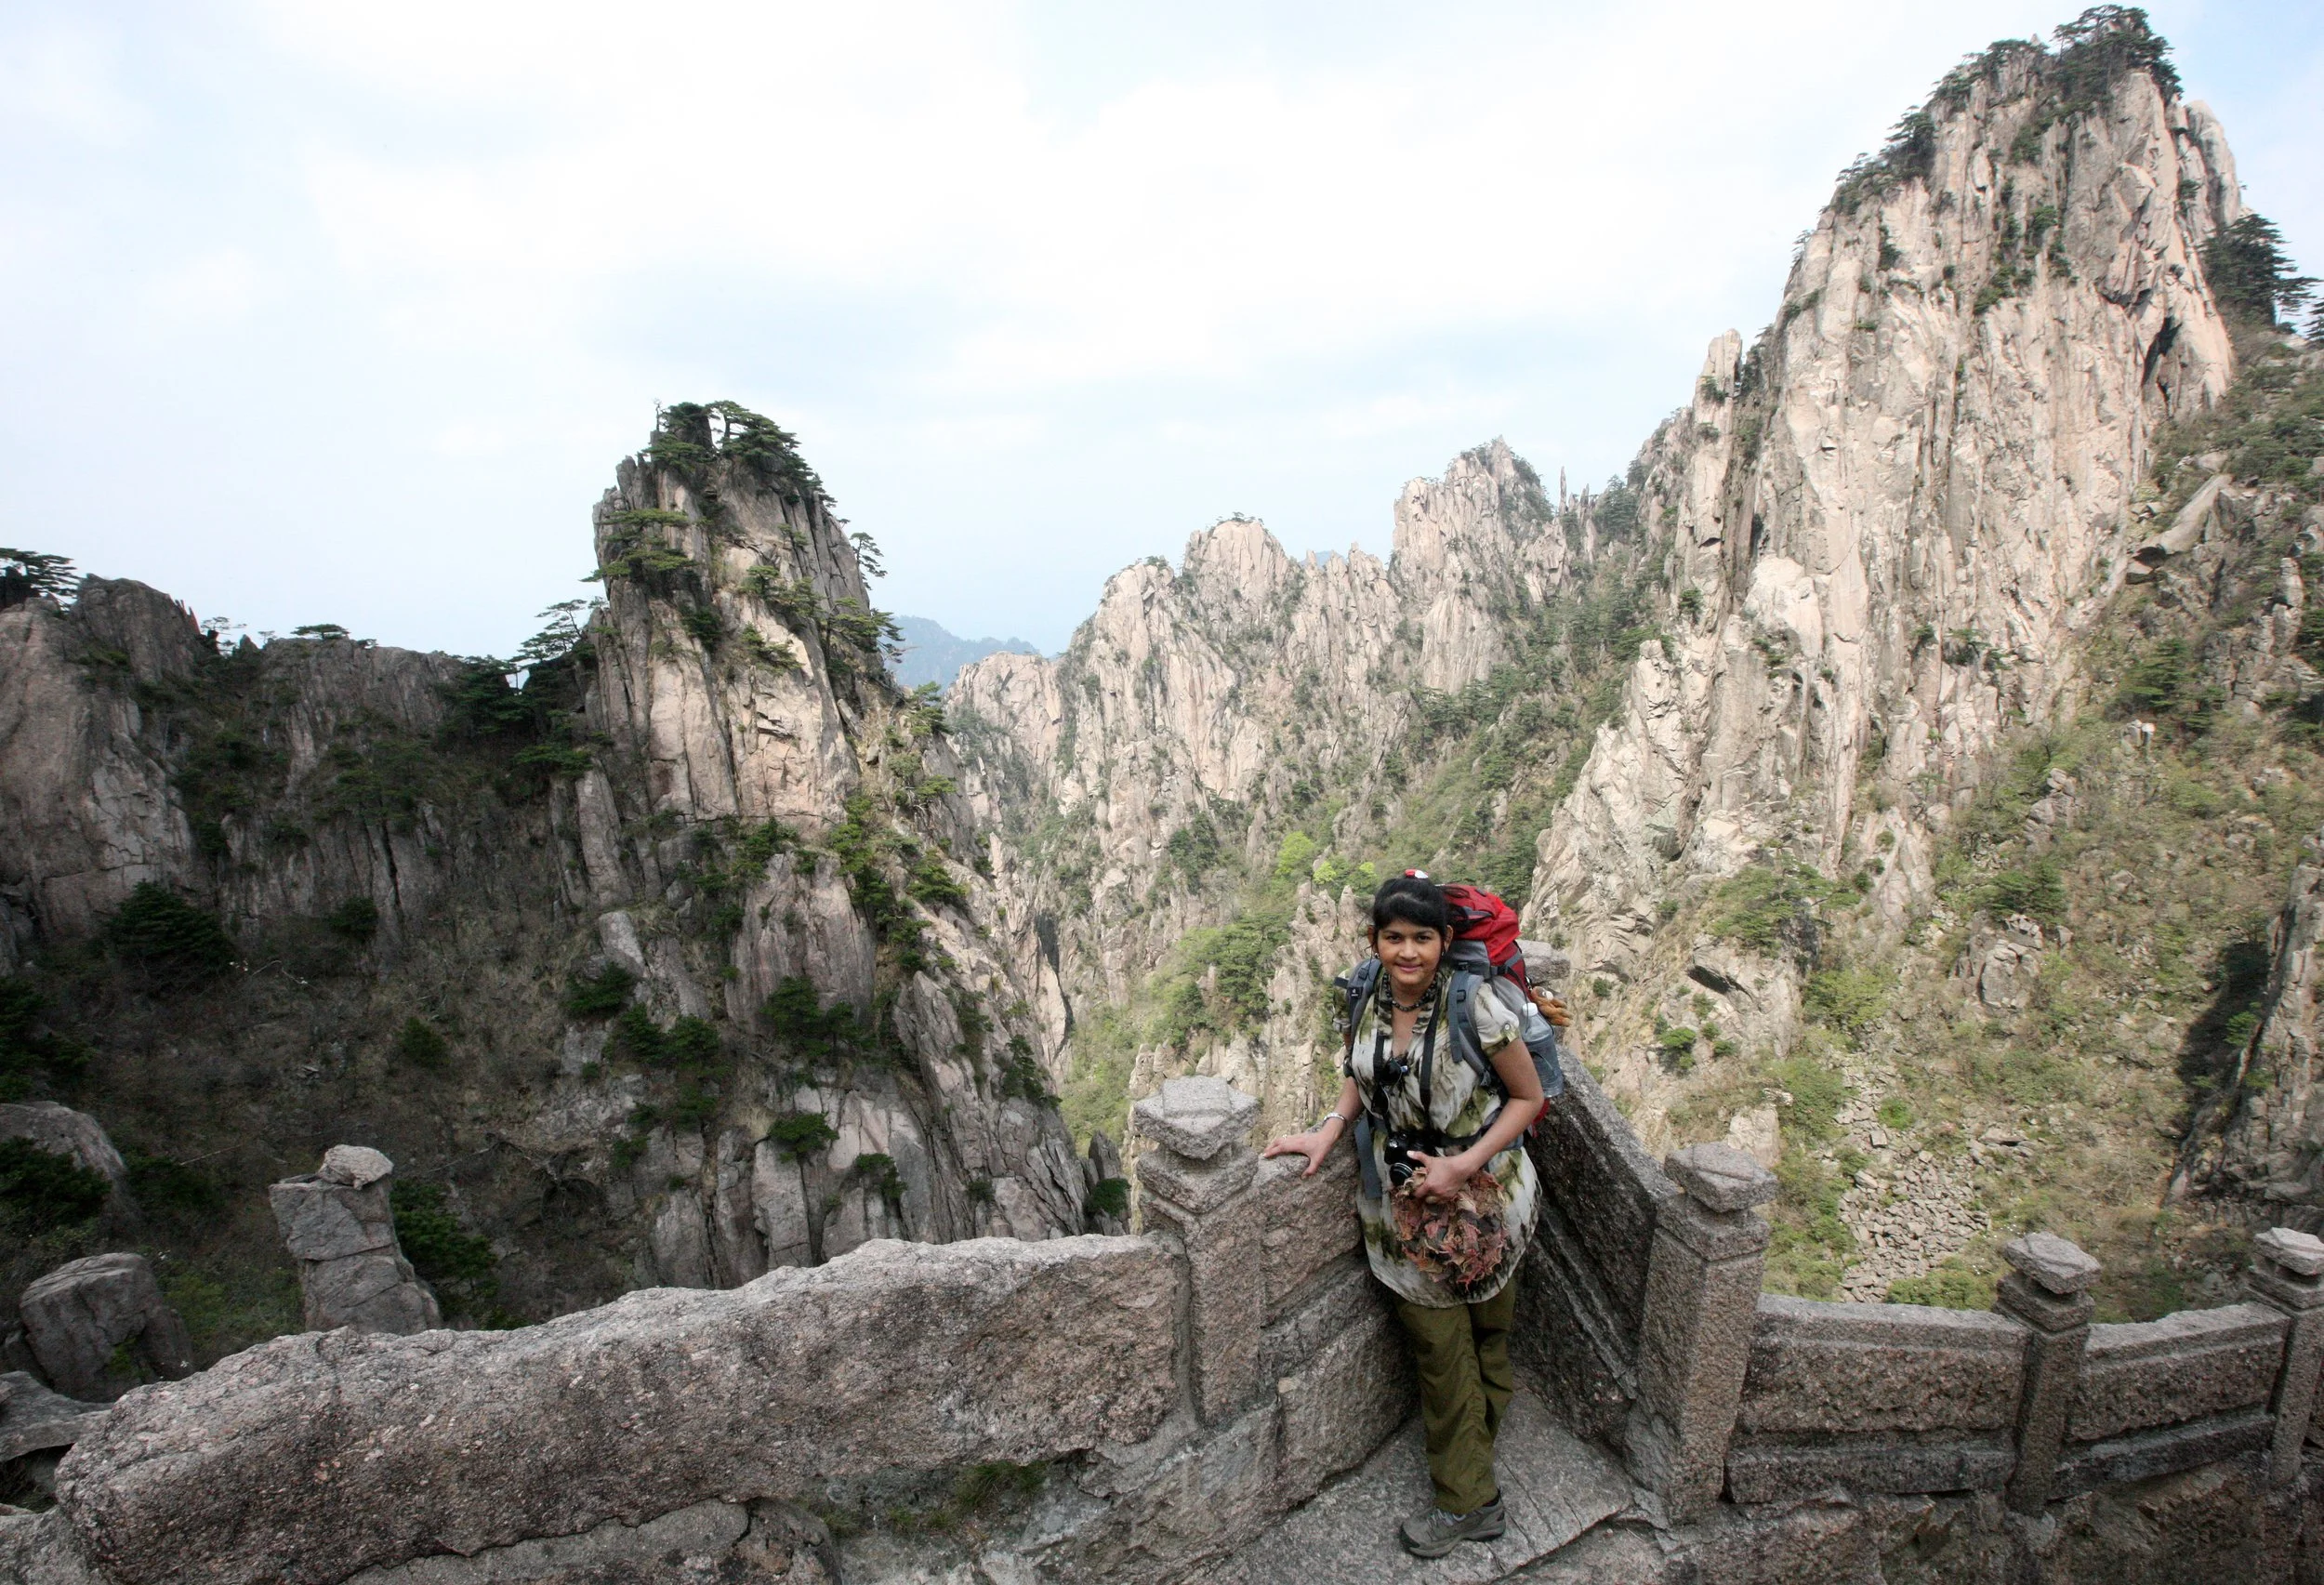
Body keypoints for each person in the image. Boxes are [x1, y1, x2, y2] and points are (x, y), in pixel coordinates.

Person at [1262, 872, 1561, 1559]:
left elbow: (1528, 1095)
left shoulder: (1475, 1005)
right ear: (1376, 940)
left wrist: (1462, 1164)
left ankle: (1469, 1496)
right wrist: (1331, 1128)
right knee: (1441, 1350)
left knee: (1490, 1324)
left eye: (1421, 938)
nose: (1407, 951)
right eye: (1393, 937)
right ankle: (1471, 1481)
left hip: (1486, 1199)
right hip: (1408, 1220)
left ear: (1444, 941)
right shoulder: (1367, 989)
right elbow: (1358, 1066)